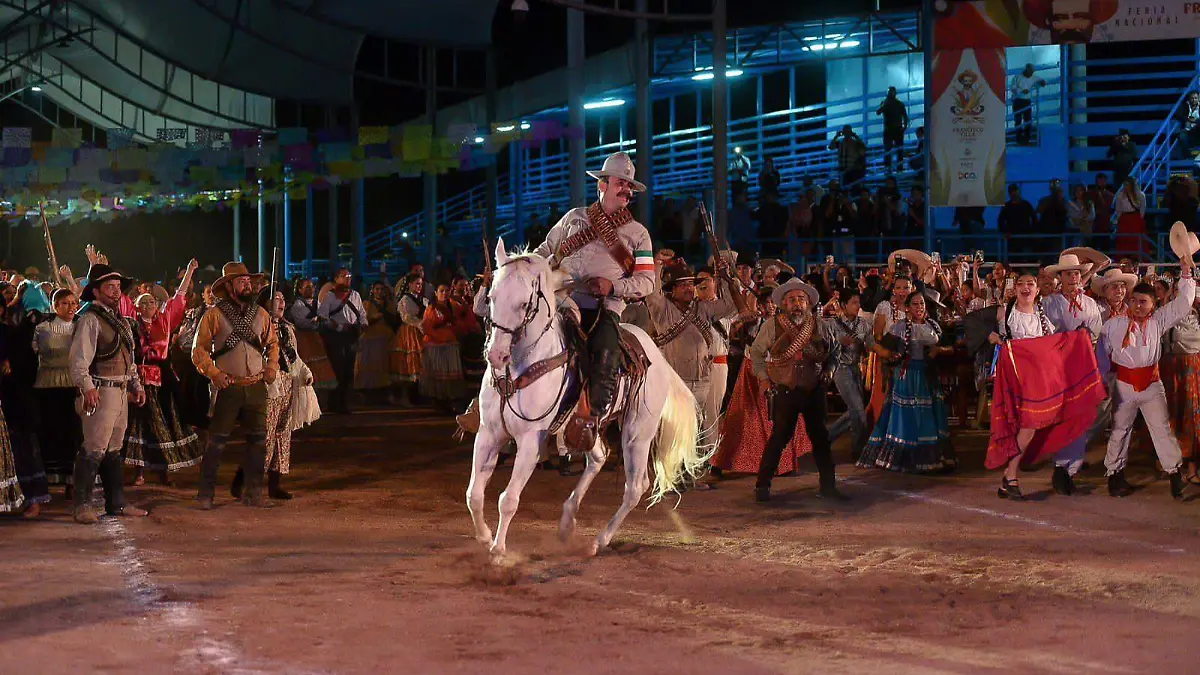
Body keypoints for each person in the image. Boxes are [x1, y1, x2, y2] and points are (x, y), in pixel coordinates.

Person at [536, 151, 656, 451]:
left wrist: (612, 286)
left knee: (604, 353)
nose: (627, 191)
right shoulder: (573, 218)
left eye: (630, 186)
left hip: (603, 308)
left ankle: (590, 420)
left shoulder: (638, 234)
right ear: (601, 185)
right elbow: (544, 250)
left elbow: (647, 283)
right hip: (561, 300)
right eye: (621, 183)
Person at [1100, 260, 1196, 500]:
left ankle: (1175, 475)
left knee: (1161, 430)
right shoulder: (1114, 325)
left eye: (1143, 302)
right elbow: (1101, 355)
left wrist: (1186, 274)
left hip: (1152, 385)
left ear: (1153, 305)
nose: (1137, 305)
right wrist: (1101, 381)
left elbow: (1183, 303)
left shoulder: (1158, 321)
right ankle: (1114, 475)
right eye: (1134, 301)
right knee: (1120, 430)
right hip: (1124, 385)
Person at [749, 278, 847, 502]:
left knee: (821, 438)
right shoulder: (772, 325)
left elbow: (835, 351)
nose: (797, 303)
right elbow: (756, 352)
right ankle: (762, 487)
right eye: (791, 299)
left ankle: (828, 486)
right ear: (784, 303)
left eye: (801, 299)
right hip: (785, 389)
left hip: (813, 389)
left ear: (809, 303)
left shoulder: (820, 324)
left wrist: (829, 372)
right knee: (780, 438)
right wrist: (764, 379)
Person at [191, 262, 279, 510]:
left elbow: (272, 343)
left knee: (258, 442)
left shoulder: (261, 314)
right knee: (216, 443)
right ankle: (205, 495)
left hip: (256, 386)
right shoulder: (214, 315)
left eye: (248, 281)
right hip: (228, 387)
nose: (247, 284)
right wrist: (214, 374)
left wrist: (271, 366)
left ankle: (253, 493)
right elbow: (199, 351)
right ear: (229, 286)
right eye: (241, 281)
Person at [68, 262, 148, 524]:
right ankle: (82, 506)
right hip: (101, 390)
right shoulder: (90, 319)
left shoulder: (121, 321)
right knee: (93, 449)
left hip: (121, 390)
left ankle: (117, 504)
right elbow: (79, 360)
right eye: (109, 287)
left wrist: (136, 385)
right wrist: (88, 388)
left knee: (114, 449)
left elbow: (130, 358)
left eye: (117, 287)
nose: (115, 292)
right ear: (96, 291)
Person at [123, 259, 204, 485]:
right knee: (138, 427)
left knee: (162, 424)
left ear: (158, 304)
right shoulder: (131, 323)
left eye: (152, 302)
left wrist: (189, 271)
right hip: (138, 380)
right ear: (136, 306)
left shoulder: (165, 320)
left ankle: (163, 470)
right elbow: (118, 300)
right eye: (143, 302)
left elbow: (179, 296)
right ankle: (139, 471)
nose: (148, 305)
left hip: (161, 380)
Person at [858, 292, 957, 473]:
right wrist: (892, 356)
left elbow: (952, 347)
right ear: (908, 308)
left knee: (927, 416)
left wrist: (939, 350)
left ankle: (929, 458)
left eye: (922, 304)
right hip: (907, 376)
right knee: (906, 417)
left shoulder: (933, 326)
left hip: (927, 377)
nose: (919, 307)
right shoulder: (899, 328)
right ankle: (905, 457)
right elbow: (884, 349)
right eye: (915, 304)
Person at [646, 262, 739, 448]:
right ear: (672, 290)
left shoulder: (703, 308)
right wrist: (657, 266)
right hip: (676, 380)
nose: (689, 288)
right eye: (683, 285)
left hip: (703, 380)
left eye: (690, 284)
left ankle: (690, 469)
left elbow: (730, 305)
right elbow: (651, 293)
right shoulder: (662, 309)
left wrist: (724, 277)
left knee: (695, 428)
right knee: (673, 430)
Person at [1041, 252, 1103, 494]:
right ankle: (1060, 465)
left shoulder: (1090, 303)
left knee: (1081, 417)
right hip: (1060, 368)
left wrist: (1084, 337)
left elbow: (1096, 333)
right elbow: (1047, 334)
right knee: (1063, 417)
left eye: (1077, 273)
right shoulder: (1050, 303)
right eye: (1069, 274)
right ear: (1061, 277)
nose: (1074, 277)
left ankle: (1069, 468)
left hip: (1084, 367)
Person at [252, 287, 318, 501]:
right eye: (275, 299)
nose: (281, 303)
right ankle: (248, 483)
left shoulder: (287, 329)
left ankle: (274, 484)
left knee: (282, 436)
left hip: (287, 382)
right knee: (266, 436)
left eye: (282, 299)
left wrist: (304, 373)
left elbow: (294, 356)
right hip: (267, 383)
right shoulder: (257, 326)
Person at [33, 288, 83, 496]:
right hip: (47, 386)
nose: (71, 307)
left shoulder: (81, 327)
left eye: (73, 303)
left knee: (72, 434)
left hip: (72, 386)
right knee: (50, 433)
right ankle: (48, 480)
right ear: (55, 306)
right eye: (65, 303)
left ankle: (73, 481)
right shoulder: (42, 328)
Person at [824, 288, 872, 457]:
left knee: (856, 409)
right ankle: (858, 450)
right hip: (840, 368)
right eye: (853, 302)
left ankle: (825, 438)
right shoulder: (832, 324)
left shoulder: (864, 324)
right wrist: (838, 341)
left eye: (858, 302)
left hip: (857, 368)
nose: (857, 306)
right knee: (858, 409)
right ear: (843, 305)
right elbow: (822, 345)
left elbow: (871, 344)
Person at [1161, 277, 1200, 484]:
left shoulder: (1197, 315)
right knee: (1170, 416)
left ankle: (1192, 467)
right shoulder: (1165, 315)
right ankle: (1172, 466)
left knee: (1193, 418)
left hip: (1194, 370)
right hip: (1170, 370)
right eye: (1178, 290)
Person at [318, 268, 368, 414]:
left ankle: (344, 402)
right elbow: (323, 317)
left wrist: (364, 323)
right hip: (336, 337)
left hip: (351, 335)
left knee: (349, 370)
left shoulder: (355, 295)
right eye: (344, 276)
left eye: (349, 276)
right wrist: (339, 326)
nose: (347, 279)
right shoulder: (330, 296)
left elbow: (361, 312)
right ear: (336, 279)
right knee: (337, 369)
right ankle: (335, 403)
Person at [420, 283, 467, 413]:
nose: (444, 293)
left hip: (451, 343)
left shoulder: (453, 306)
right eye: (441, 291)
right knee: (438, 374)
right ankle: (439, 402)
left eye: (447, 291)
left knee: (452, 374)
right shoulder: (431, 308)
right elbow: (427, 327)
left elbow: (463, 317)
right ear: (436, 293)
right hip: (436, 345)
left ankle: (452, 400)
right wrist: (441, 336)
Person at [287, 278, 337, 393]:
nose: (311, 289)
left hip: (317, 340)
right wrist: (318, 322)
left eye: (312, 286)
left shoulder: (316, 302)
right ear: (299, 290)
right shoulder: (298, 305)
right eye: (307, 287)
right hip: (306, 342)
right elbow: (303, 324)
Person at [356, 280, 398, 404]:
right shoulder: (367, 304)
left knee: (384, 367)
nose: (379, 292)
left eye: (381, 289)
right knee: (369, 367)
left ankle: (383, 394)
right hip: (370, 339)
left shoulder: (388, 304)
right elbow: (363, 321)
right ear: (372, 290)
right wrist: (373, 318)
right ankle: (367, 395)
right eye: (377, 289)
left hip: (386, 339)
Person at [391, 273, 426, 407]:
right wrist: (420, 323)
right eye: (416, 284)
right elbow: (406, 317)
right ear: (410, 285)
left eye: (420, 284)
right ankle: (406, 396)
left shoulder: (423, 299)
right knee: (409, 362)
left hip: (420, 331)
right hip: (409, 332)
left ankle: (417, 394)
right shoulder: (405, 300)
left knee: (419, 362)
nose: (419, 286)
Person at [1113, 176, 1148, 261]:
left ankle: (1137, 259)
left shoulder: (1140, 195)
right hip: (1124, 220)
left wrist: (1138, 220)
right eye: (1125, 185)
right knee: (1124, 242)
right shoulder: (1120, 196)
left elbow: (1142, 211)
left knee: (1136, 241)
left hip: (1135, 220)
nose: (1126, 187)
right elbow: (1118, 210)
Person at [1009, 64, 1045, 146]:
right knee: (1018, 121)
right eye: (1030, 72)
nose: (1031, 74)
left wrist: (1042, 82)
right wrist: (1021, 91)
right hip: (1018, 100)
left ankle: (1026, 139)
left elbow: (1042, 81)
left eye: (1032, 72)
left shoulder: (1034, 77)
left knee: (1028, 120)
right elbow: (1013, 88)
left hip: (1027, 101)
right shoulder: (1017, 77)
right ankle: (1018, 139)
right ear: (1026, 70)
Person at [876, 86, 909, 172]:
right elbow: (878, 112)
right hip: (889, 130)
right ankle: (888, 168)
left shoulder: (899, 104)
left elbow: (905, 117)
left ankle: (899, 168)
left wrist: (904, 127)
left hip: (897, 129)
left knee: (899, 150)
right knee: (888, 150)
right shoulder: (885, 103)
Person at [998, 184, 1037, 257]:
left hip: (1025, 236)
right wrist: (1005, 232)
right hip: (1013, 237)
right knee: (1014, 257)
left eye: (1015, 191)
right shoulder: (1007, 206)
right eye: (1012, 191)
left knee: (1026, 257)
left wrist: (1033, 232)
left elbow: (1034, 218)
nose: (1014, 193)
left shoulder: (1026, 205)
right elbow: (1000, 221)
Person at [1176, 91, 1200, 159]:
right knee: (1182, 136)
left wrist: (1196, 121)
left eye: (1195, 98)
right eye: (1192, 98)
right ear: (1189, 99)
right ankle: (1187, 155)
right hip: (1187, 130)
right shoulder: (1185, 106)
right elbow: (1178, 115)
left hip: (1198, 129)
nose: (1194, 100)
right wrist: (1188, 119)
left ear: (1198, 98)